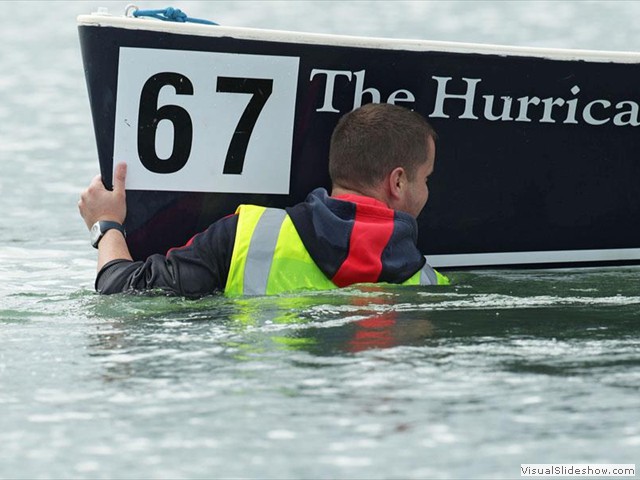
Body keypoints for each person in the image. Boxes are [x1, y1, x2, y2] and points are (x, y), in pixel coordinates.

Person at [78, 103, 449, 297]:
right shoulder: (428, 286)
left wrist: (106, 224)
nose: (429, 192)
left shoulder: (246, 233)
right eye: (427, 178)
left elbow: (122, 295)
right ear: (397, 182)